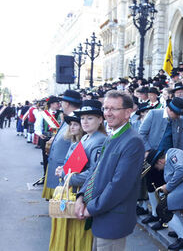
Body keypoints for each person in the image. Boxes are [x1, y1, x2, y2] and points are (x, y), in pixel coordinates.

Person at [75, 90, 145, 251]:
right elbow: (96, 171)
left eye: (113, 109)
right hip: (100, 214)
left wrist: (90, 209)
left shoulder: (133, 141)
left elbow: (119, 185)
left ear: (128, 112)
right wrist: (81, 196)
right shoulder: (112, 135)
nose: (108, 113)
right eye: (105, 108)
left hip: (112, 219)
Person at [50, 100, 107, 251]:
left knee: (79, 239)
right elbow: (78, 165)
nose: (85, 122)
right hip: (72, 190)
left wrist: (66, 174)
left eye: (90, 118)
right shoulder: (86, 137)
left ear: (100, 120)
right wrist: (65, 169)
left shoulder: (99, 140)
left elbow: (94, 173)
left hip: (82, 195)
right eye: (82, 118)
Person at [138, 97, 183, 230]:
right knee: (150, 186)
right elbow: (141, 134)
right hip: (152, 158)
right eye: (176, 113)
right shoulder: (154, 114)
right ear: (169, 109)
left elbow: (178, 141)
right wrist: (149, 152)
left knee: (162, 188)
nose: (177, 116)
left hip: (168, 161)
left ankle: (162, 217)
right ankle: (155, 213)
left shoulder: (178, 120)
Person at [147, 148, 183, 250]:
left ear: (160, 161)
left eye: (156, 166)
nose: (158, 169)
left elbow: (181, 169)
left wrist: (168, 187)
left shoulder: (173, 154)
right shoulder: (169, 158)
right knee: (167, 206)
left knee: (162, 209)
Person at [42, 90, 82, 200]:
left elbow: (77, 148)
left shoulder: (77, 119)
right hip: (60, 168)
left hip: (65, 170)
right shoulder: (69, 117)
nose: (61, 105)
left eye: (62, 102)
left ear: (67, 104)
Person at [34, 96, 62, 185]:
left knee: (56, 158)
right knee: (46, 158)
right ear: (51, 104)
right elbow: (38, 125)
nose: (59, 105)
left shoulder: (61, 114)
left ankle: (56, 177)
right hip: (46, 138)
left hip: (57, 139)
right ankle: (45, 176)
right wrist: (39, 133)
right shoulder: (43, 114)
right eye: (57, 103)